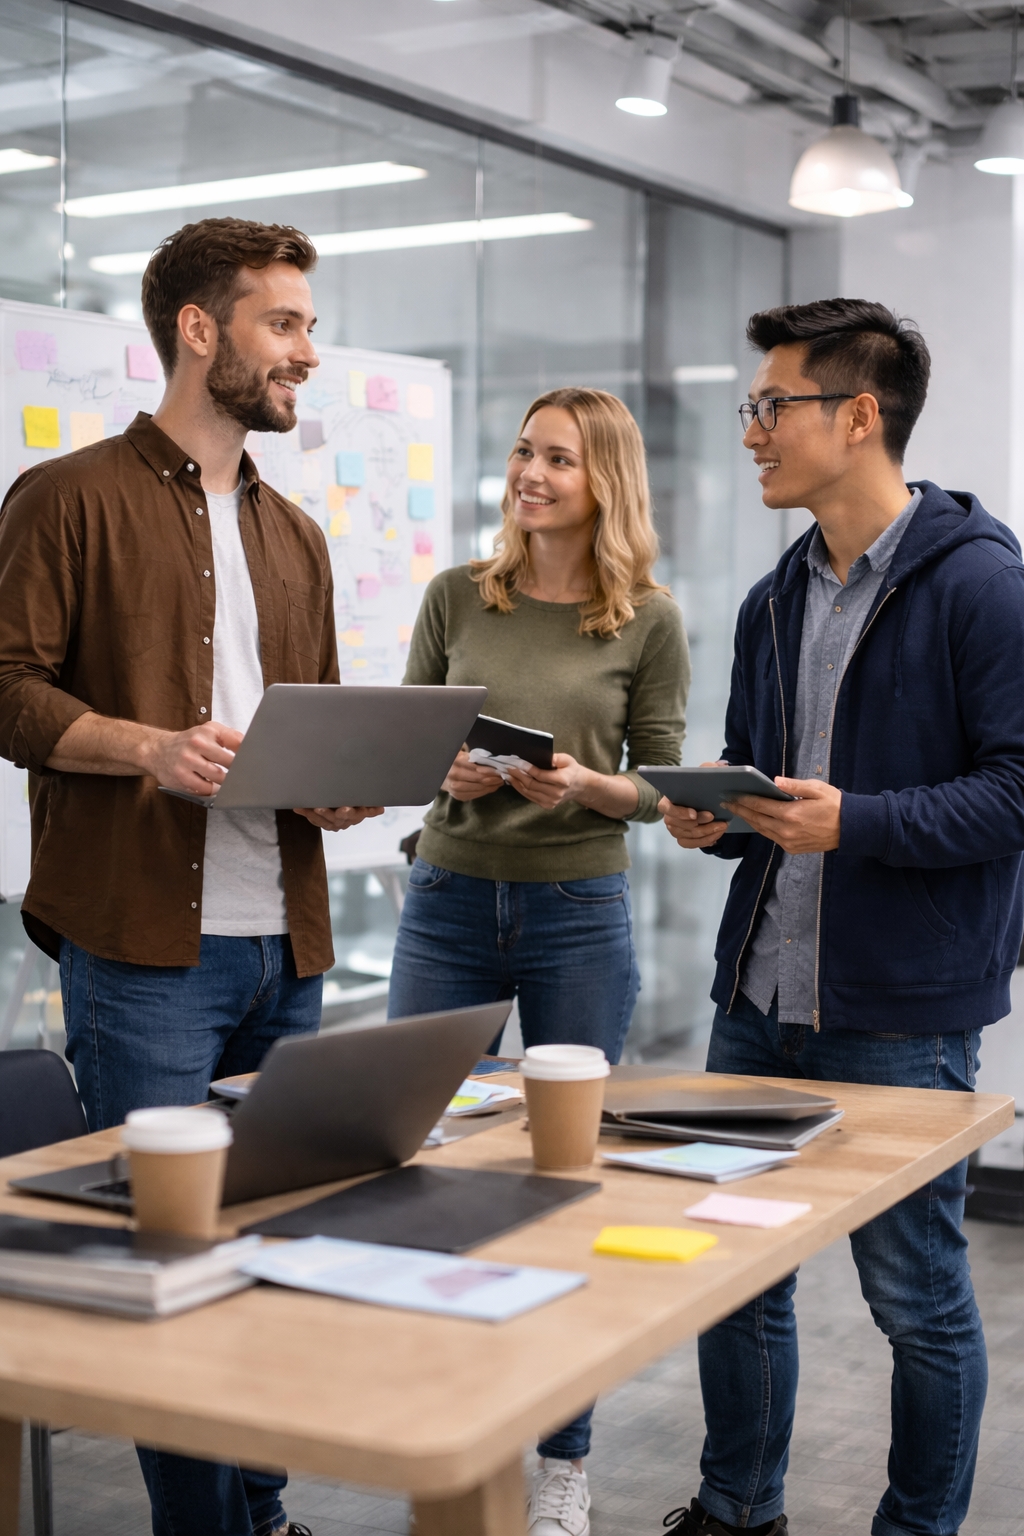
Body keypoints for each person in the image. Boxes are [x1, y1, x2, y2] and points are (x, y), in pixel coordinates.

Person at [0, 216, 382, 1536]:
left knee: (268, 1250)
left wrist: (340, 785)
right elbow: (6, 691)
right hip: (143, 952)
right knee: (171, 1268)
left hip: (287, 944)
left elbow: (308, 720)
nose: (307, 353)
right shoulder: (67, 498)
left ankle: (259, 1516)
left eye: (310, 327)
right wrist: (147, 748)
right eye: (284, 324)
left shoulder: (298, 536)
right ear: (199, 329)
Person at [658, 299, 1024, 1536]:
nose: (750, 431)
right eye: (751, 406)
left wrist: (853, 823)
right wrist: (717, 816)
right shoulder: (774, 598)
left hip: (902, 1013)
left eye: (771, 405)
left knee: (915, 1300)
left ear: (857, 415)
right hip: (758, 994)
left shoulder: (981, 585)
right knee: (734, 1275)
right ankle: (735, 1509)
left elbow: (1015, 792)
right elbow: (762, 778)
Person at [388, 386, 689, 1536]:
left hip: (577, 909)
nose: (531, 473)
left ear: (603, 479)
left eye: (558, 458)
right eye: (524, 452)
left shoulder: (647, 619)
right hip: (448, 900)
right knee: (421, 1159)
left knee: (561, 1178)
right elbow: (405, 741)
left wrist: (585, 785)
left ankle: (562, 1459)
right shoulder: (458, 594)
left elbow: (657, 785)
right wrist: (447, 769)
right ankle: (448, 1423)